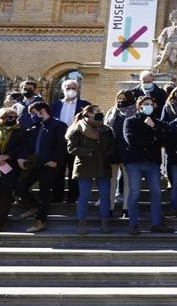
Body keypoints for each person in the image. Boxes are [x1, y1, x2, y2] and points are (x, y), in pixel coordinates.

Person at [123, 95, 171, 235]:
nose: (149, 106)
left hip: (152, 162)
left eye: (151, 104)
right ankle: (133, 224)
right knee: (134, 193)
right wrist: (152, 140)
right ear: (139, 106)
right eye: (146, 104)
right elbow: (131, 140)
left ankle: (156, 224)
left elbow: (165, 139)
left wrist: (154, 127)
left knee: (156, 193)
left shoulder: (156, 122)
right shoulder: (130, 121)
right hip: (134, 162)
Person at [66, 105, 115, 235]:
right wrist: (88, 152)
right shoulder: (77, 128)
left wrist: (107, 155)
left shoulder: (106, 129)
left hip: (103, 165)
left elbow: (112, 146)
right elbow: (71, 148)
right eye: (95, 112)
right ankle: (81, 224)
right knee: (84, 196)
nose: (99, 113)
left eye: (99, 111)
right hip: (84, 166)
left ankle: (105, 224)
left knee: (105, 196)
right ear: (87, 114)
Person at [24, 101, 67, 233]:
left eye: (34, 113)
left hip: (49, 165)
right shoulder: (37, 126)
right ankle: (35, 207)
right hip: (35, 164)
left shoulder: (59, 125)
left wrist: (55, 160)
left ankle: (40, 221)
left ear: (42, 111)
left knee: (44, 193)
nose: (33, 116)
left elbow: (61, 145)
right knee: (21, 187)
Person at [50, 78, 90, 204]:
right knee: (58, 170)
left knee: (75, 170)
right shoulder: (55, 105)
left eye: (74, 88)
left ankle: (73, 197)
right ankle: (57, 196)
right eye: (68, 88)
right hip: (59, 143)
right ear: (63, 90)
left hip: (76, 142)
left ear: (77, 90)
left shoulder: (85, 105)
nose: (71, 90)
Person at [105, 90, 137, 215]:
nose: (121, 101)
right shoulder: (112, 111)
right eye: (119, 98)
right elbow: (105, 128)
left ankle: (127, 208)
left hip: (129, 151)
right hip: (113, 150)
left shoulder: (135, 112)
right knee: (111, 181)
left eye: (124, 98)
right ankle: (109, 207)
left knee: (128, 182)